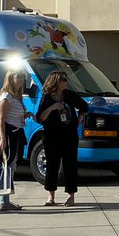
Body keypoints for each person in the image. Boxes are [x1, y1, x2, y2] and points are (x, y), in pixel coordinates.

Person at [36, 72, 88, 207]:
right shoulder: (47, 97)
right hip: (51, 135)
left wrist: (80, 117)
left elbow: (84, 106)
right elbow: (40, 117)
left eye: (66, 80)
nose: (66, 82)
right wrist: (52, 107)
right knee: (52, 165)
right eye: (63, 80)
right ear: (55, 82)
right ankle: (51, 196)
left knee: (70, 165)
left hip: (69, 134)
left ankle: (71, 196)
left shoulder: (69, 95)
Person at [0, 70, 31, 212]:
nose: (21, 80)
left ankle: (6, 200)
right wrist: (3, 139)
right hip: (9, 135)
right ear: (10, 78)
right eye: (18, 77)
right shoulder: (6, 96)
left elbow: (13, 115)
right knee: (7, 167)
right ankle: (4, 201)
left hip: (17, 133)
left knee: (11, 166)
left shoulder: (17, 96)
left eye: (22, 77)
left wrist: (26, 115)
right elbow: (1, 119)